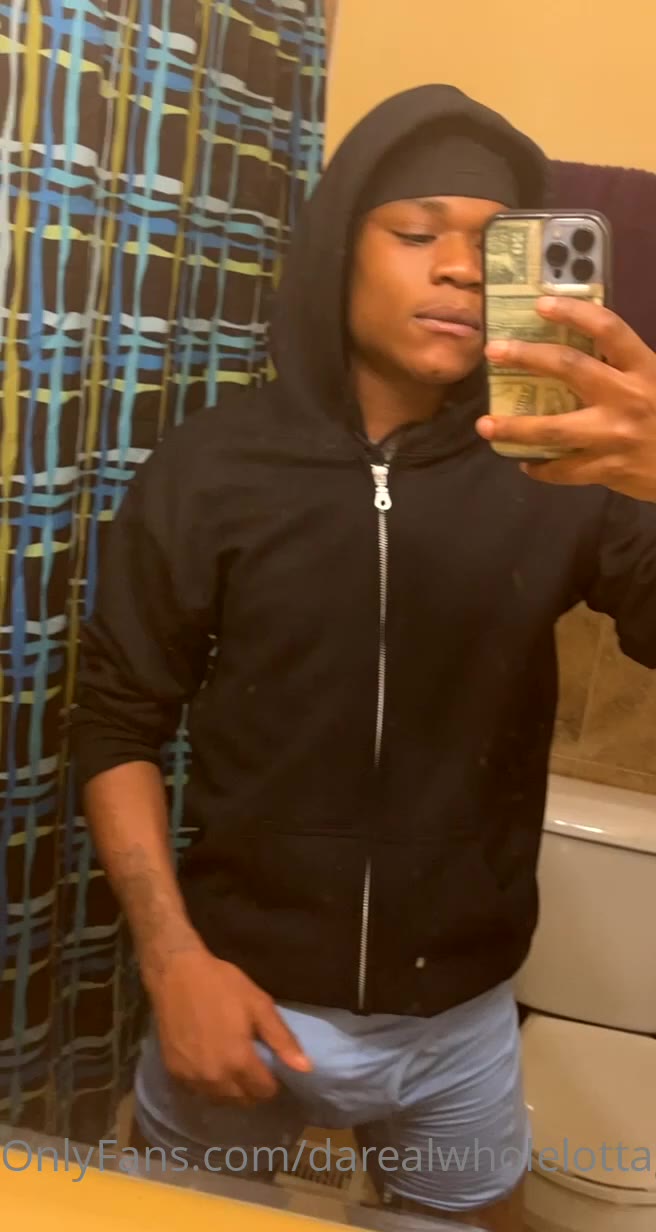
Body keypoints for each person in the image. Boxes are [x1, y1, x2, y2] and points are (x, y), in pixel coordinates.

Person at [70, 84, 656, 1231]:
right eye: (415, 230)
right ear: (340, 248)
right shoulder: (213, 468)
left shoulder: (557, 470)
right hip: (235, 989)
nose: (457, 267)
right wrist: (171, 958)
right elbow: (115, 721)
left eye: (492, 244)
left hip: (463, 1018)